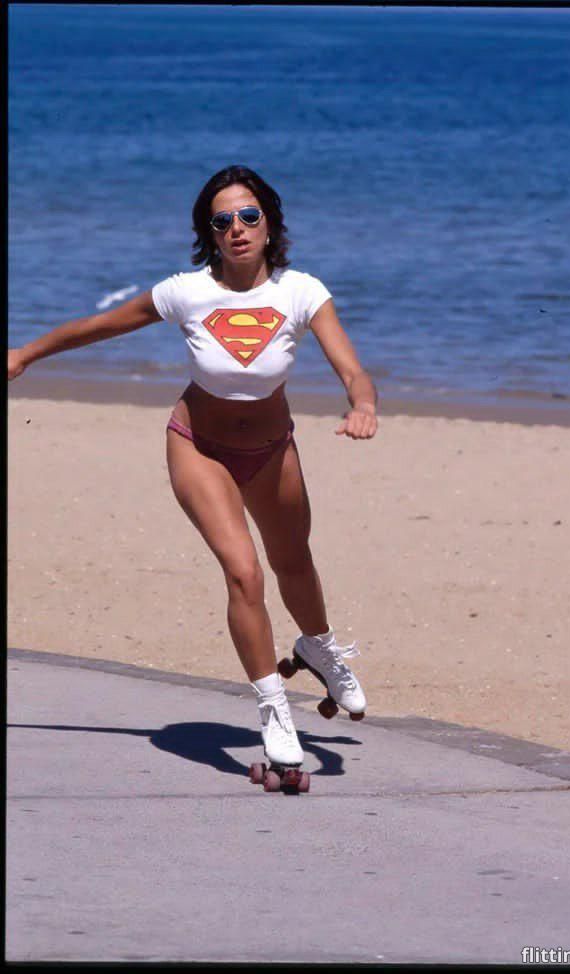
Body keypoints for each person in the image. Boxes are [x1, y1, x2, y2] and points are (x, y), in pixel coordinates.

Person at [8, 164, 378, 782]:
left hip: (273, 450)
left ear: (270, 224)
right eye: (222, 220)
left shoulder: (301, 292)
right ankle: (274, 711)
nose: (237, 229)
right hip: (198, 447)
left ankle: (317, 644)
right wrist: (24, 354)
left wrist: (362, 405)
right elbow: (98, 326)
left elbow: (352, 369)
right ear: (209, 231)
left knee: (295, 563)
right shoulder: (185, 291)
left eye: (249, 216)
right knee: (244, 573)